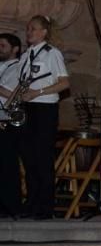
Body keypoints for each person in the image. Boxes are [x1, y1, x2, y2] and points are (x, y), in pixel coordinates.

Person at [14, 15, 70, 219]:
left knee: (42, 159)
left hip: (44, 110)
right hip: (27, 108)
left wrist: (38, 93)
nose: (29, 31)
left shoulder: (51, 54)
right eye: (28, 28)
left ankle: (45, 207)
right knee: (28, 158)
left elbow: (64, 83)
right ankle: (31, 203)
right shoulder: (25, 55)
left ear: (44, 32)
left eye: (33, 28)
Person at [0, 33, 23, 218]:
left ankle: (10, 207)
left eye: (2, 46)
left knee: (7, 165)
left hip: (6, 120)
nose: (0, 49)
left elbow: (14, 96)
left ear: (15, 49)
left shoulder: (17, 68)